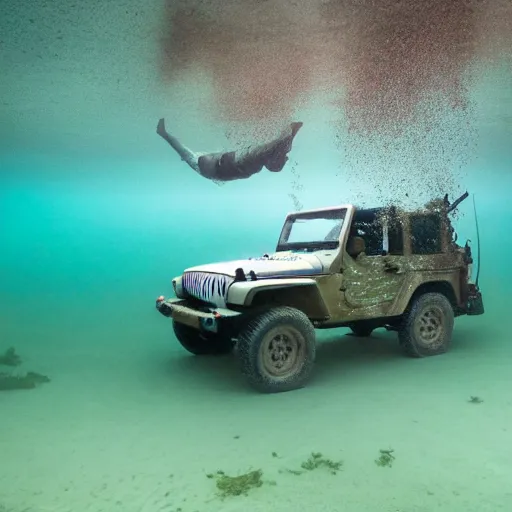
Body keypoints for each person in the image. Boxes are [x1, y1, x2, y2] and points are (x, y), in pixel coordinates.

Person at [156, 118, 303, 183]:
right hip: (237, 167)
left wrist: (164, 134)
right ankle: (289, 135)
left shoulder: (198, 162)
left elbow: (181, 150)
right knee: (265, 155)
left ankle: (289, 136)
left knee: (264, 154)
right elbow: (182, 150)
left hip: (234, 164)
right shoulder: (206, 167)